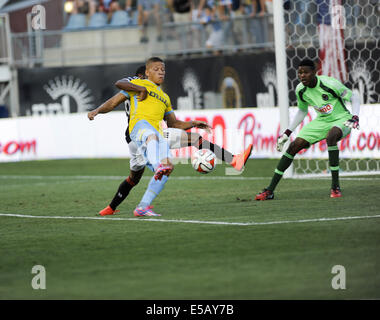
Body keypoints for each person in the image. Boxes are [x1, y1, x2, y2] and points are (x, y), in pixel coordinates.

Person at [88, 63, 253, 216]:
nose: (158, 75)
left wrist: (193, 123)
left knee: (140, 175)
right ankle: (133, 203)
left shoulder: (160, 96)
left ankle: (112, 208)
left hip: (147, 135)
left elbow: (173, 123)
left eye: (161, 71)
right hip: (137, 137)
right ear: (143, 75)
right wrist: (96, 110)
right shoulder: (137, 83)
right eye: (154, 71)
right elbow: (114, 96)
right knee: (138, 175)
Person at [255, 58, 360, 200]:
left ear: (314, 72)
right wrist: (287, 132)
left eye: (306, 72)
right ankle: (269, 191)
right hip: (322, 121)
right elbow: (302, 111)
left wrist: (354, 117)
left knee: (332, 136)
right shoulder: (300, 90)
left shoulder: (329, 83)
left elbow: (354, 97)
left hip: (342, 119)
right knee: (294, 146)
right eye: (300, 73)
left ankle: (335, 187)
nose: (302, 76)